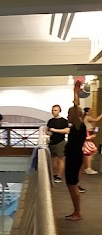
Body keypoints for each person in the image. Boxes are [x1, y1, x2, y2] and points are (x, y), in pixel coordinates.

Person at [64, 81, 87, 221]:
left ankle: (77, 213)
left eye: (68, 114)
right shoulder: (76, 126)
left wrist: (75, 92)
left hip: (74, 157)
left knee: (72, 185)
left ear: (74, 115)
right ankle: (76, 212)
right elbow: (76, 109)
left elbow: (76, 107)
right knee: (71, 184)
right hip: (74, 156)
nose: (67, 116)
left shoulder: (79, 126)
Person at [46, 104, 69, 182]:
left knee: (60, 159)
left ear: (59, 111)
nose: (54, 112)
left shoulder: (63, 121)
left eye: (55, 110)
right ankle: (54, 174)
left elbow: (67, 130)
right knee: (53, 160)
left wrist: (55, 130)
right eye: (53, 110)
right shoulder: (50, 121)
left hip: (60, 142)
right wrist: (48, 133)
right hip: (52, 142)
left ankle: (59, 176)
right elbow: (47, 130)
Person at [81, 107, 102, 175]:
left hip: (90, 133)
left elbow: (93, 128)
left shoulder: (87, 118)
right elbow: (96, 119)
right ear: (87, 112)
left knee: (88, 152)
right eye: (90, 111)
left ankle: (86, 168)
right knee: (89, 151)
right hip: (88, 134)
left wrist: (96, 129)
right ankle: (88, 168)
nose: (92, 112)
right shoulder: (87, 117)